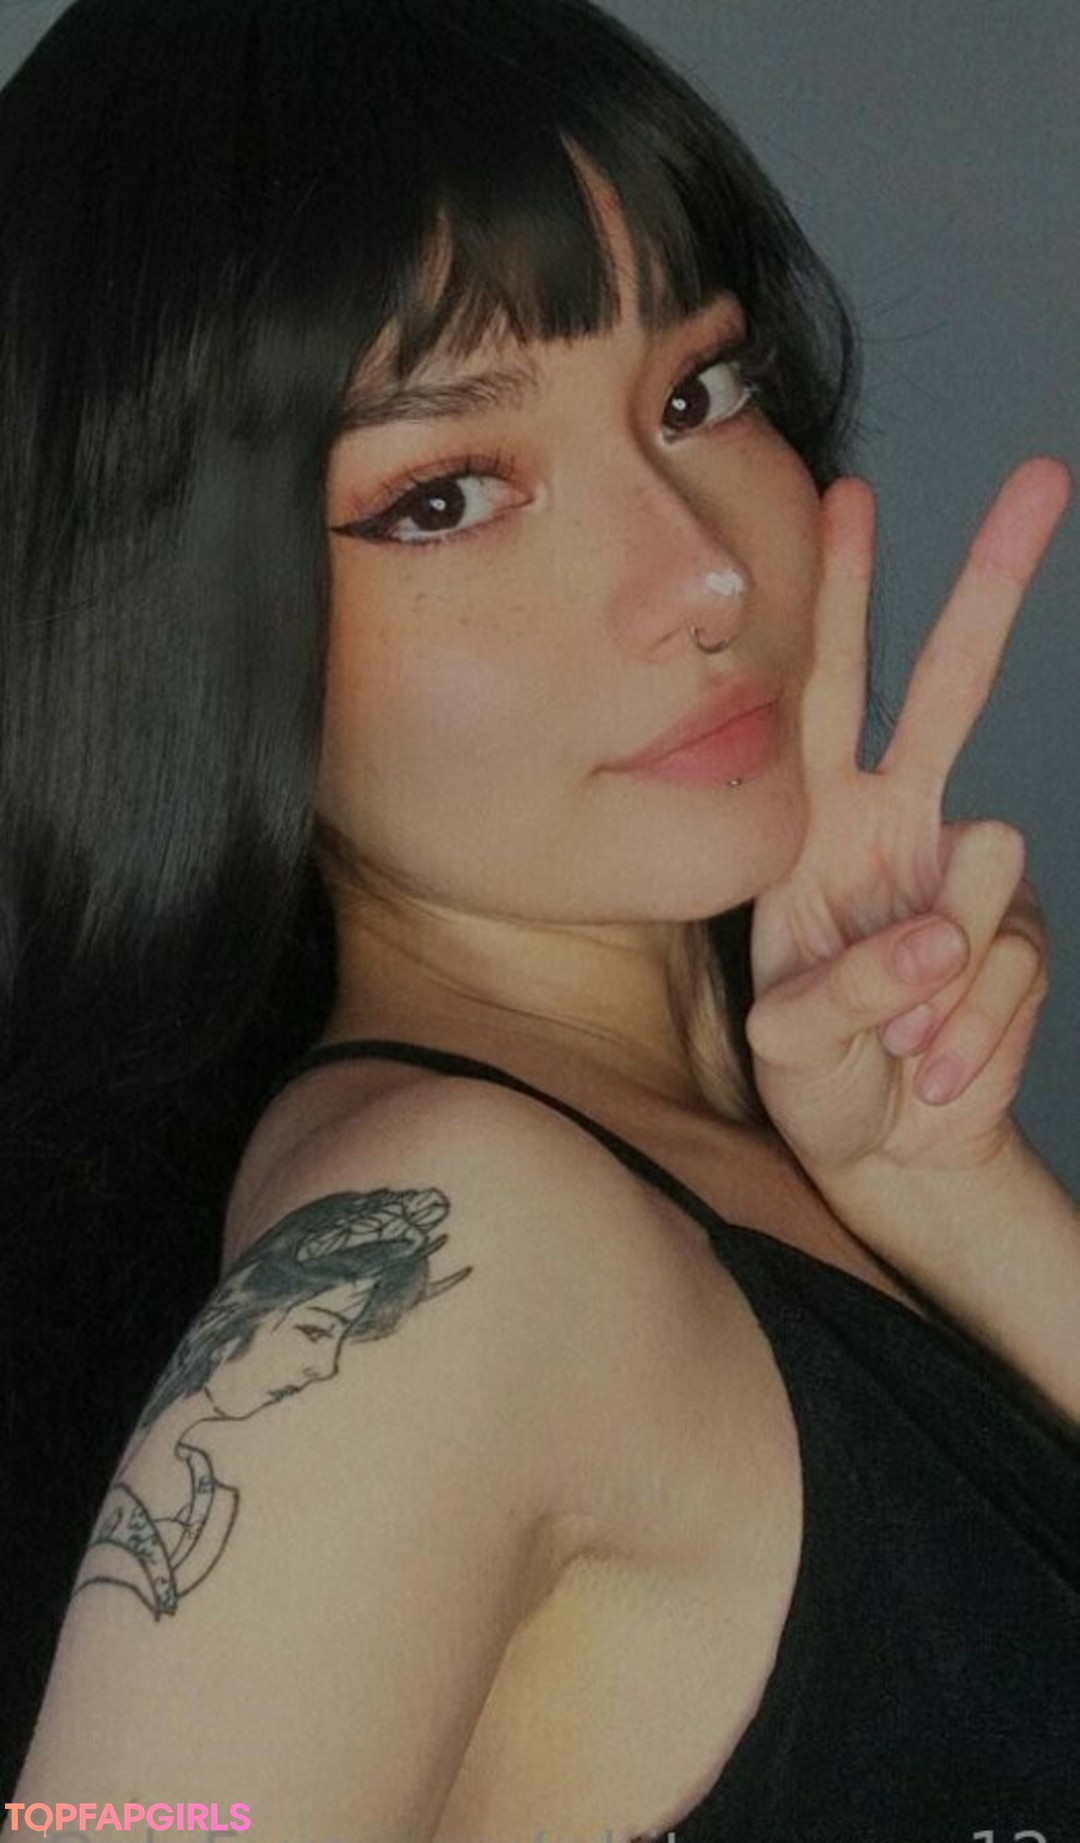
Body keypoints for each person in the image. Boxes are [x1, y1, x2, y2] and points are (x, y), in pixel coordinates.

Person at [2, 0, 1077, 1835]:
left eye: (698, 393)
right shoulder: (457, 1261)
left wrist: (958, 1202)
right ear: (174, 622)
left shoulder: (751, 1154)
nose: (704, 572)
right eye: (446, 497)